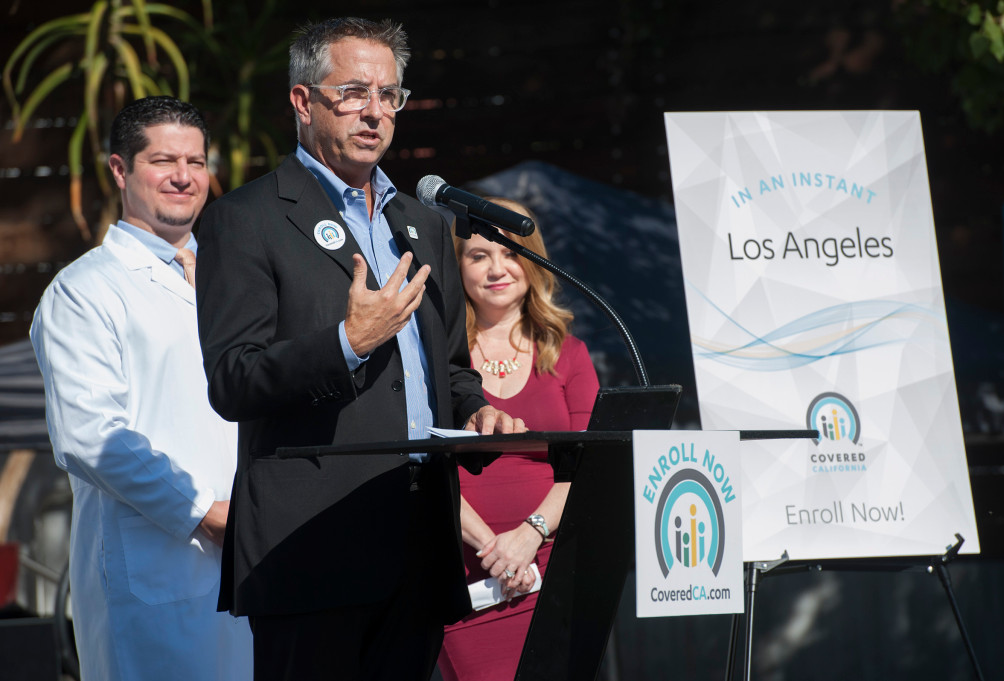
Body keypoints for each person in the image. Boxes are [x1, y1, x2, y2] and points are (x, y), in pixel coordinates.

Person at [194, 17, 525, 681]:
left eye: (390, 96)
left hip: (417, 542)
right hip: (312, 549)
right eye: (353, 93)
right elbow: (233, 381)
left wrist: (480, 414)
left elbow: (450, 371)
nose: (375, 112)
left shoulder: (424, 224)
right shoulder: (246, 219)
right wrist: (348, 343)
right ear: (302, 101)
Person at [29, 96, 253, 681]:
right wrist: (207, 512)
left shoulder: (237, 278)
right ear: (120, 169)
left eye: (197, 162)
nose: (184, 177)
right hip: (159, 571)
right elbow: (89, 437)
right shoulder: (83, 291)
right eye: (163, 160)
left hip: (257, 557)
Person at [438, 198, 600, 681]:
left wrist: (529, 535)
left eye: (510, 252)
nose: (497, 268)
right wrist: (495, 550)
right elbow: (421, 465)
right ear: (457, 267)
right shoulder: (436, 361)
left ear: (532, 260)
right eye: (478, 255)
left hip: (552, 565)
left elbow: (590, 465)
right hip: (466, 569)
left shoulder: (569, 354)